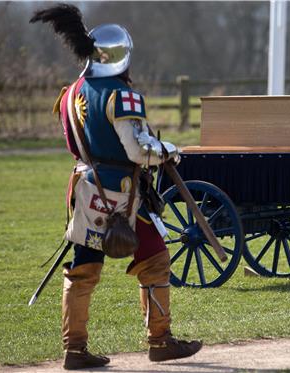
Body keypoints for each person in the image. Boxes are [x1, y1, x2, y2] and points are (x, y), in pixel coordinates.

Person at [30, 4, 202, 370]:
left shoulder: (69, 93)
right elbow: (137, 150)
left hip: (84, 189)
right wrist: (169, 150)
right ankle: (160, 341)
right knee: (155, 261)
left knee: (83, 268)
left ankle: (74, 350)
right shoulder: (121, 96)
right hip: (123, 195)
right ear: (122, 59)